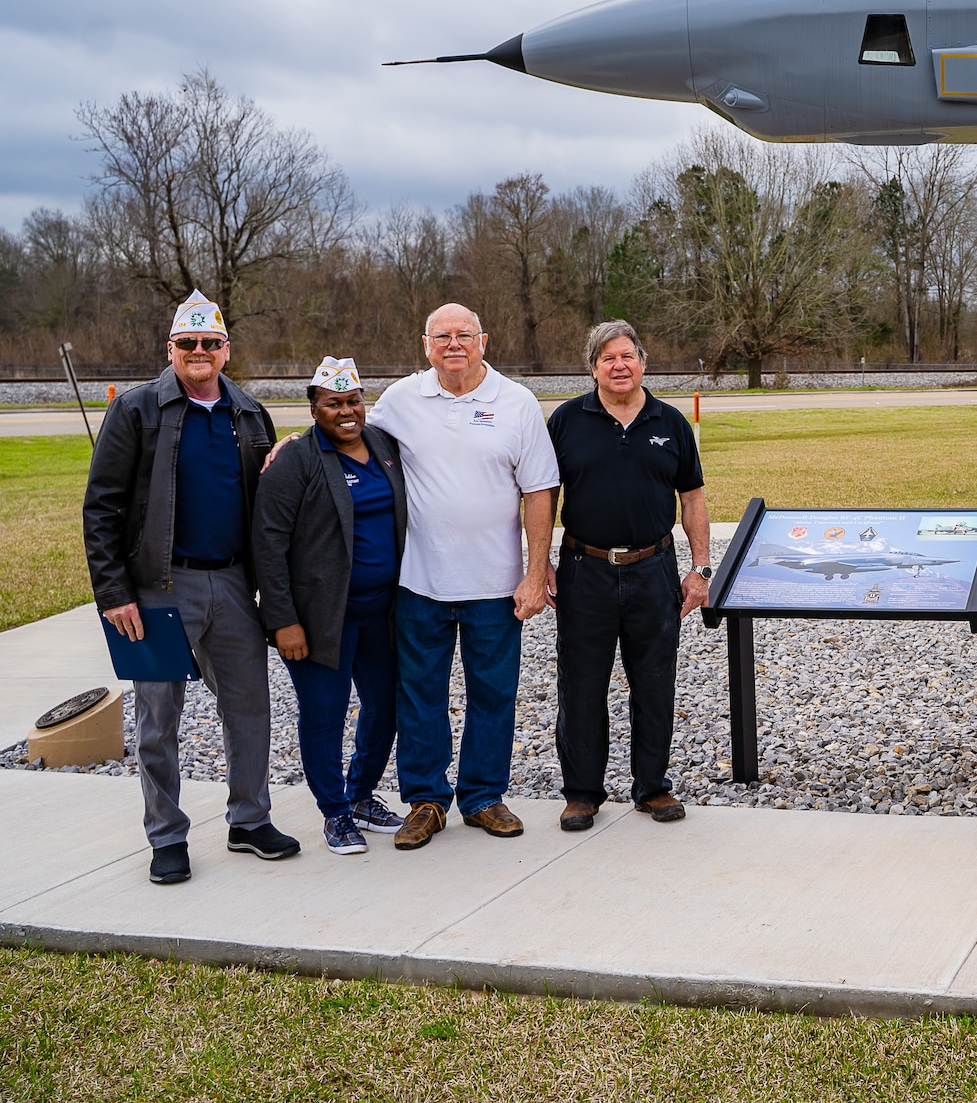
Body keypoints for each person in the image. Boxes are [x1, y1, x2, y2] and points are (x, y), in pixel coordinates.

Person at [81, 289, 294, 884]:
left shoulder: (249, 413)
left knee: (249, 705)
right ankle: (166, 836)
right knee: (158, 718)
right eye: (187, 343)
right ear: (171, 347)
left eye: (210, 343)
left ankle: (249, 820)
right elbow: (101, 507)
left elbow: (267, 502)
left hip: (229, 581)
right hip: (154, 589)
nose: (199, 352)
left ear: (226, 350)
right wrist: (114, 592)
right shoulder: (136, 410)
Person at [366, 304, 560, 850]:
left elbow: (539, 491)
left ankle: (482, 797)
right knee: (420, 693)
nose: (454, 345)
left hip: (496, 587)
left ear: (485, 340)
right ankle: (426, 801)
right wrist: (291, 445)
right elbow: (346, 435)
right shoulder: (403, 399)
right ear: (425, 344)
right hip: (419, 582)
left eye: (465, 335)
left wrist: (534, 571)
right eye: (442, 336)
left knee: (493, 692)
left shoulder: (516, 403)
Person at [545, 321, 712, 832]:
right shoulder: (566, 421)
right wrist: (537, 564)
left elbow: (694, 500)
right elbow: (542, 498)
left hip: (654, 570)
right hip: (583, 569)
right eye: (607, 358)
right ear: (592, 366)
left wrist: (699, 569)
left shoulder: (671, 422)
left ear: (643, 361)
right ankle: (582, 793)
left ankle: (653, 787)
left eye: (628, 356)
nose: (619, 366)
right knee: (581, 684)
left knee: (655, 683)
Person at [253, 358, 408, 855]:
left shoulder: (384, 446)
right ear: (314, 409)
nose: (346, 412)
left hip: (382, 613)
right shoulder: (295, 460)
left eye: (353, 401)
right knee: (325, 713)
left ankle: (361, 795)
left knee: (386, 706)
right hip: (320, 619)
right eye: (334, 404)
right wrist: (283, 621)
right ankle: (335, 813)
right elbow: (269, 544)